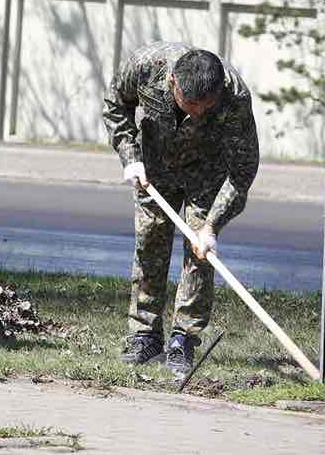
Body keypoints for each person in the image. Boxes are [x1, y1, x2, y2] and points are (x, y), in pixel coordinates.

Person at [101, 42, 259, 376]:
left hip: (208, 174)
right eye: (190, 104)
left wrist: (213, 223)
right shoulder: (146, 66)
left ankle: (182, 339)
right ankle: (144, 334)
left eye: (207, 106)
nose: (199, 112)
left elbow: (243, 170)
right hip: (154, 169)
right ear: (173, 82)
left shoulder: (235, 97)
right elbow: (115, 104)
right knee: (150, 242)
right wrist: (130, 155)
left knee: (200, 252)